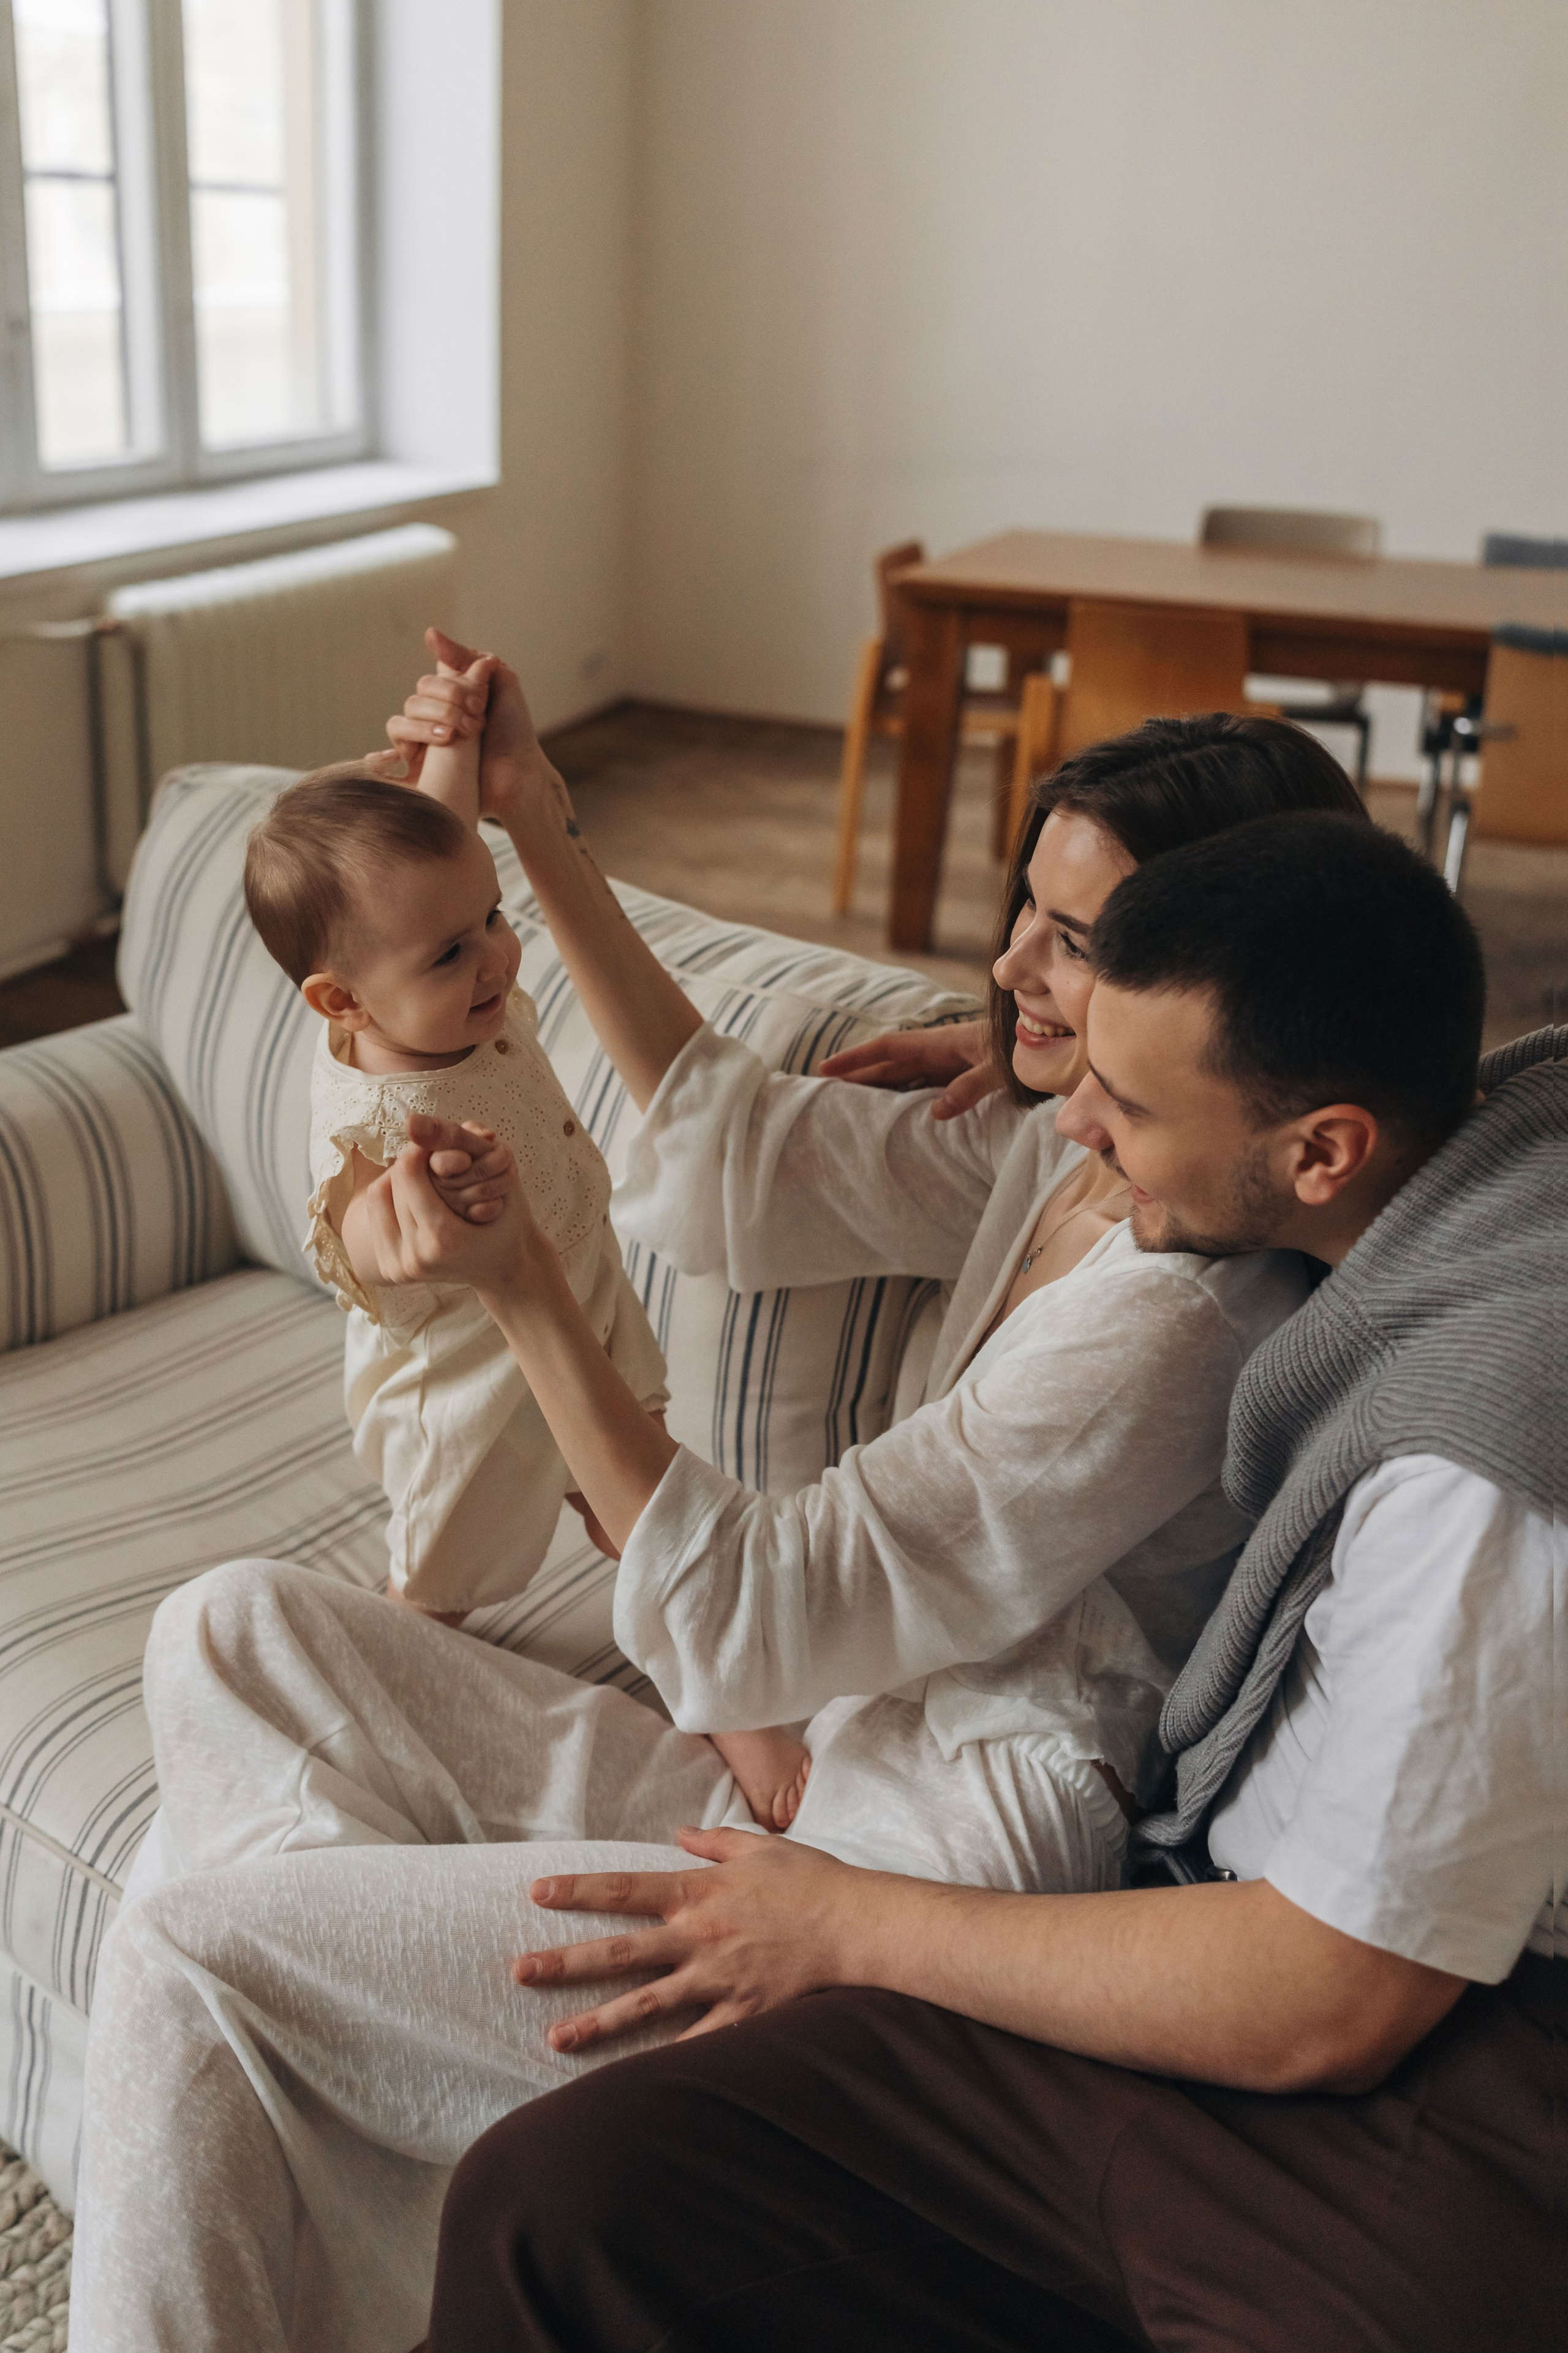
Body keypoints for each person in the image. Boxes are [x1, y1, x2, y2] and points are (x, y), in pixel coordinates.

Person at [69, 681, 1364, 2352]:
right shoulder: (1066, 1146)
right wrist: (533, 816)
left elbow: (765, 1605)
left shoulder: (1179, 1307)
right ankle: (389, 2133)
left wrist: (522, 1277)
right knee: (227, 1628)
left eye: (1081, 944)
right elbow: (741, 1152)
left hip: (919, 1868)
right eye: (1025, 920)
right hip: (836, 1750)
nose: (1019, 977)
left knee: (193, 1953)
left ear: (1218, 978)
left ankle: (340, 2088)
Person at [410, 815, 1566, 2353]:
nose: (1074, 1125)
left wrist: (849, 1924)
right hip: (1235, 1951)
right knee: (558, 2192)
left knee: (575, 2192)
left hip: (1408, 2081)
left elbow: (1327, 1997)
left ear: (1321, 1150)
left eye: (1129, 1101)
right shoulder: (1487, 1127)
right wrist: (1018, 1042)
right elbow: (753, 1158)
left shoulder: (1476, 1469)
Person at [241, 668, 804, 1822]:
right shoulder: (371, 1123)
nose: (496, 960)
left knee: (635, 1505)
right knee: (436, 1592)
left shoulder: (450, 980)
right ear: (340, 1003)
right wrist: (406, 1229)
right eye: (449, 956)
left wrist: (457, 720)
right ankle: (365, 1721)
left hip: (584, 1311)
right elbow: (360, 1233)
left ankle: (743, 1720)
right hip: (466, 1388)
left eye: (492, 921)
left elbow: (443, 827)